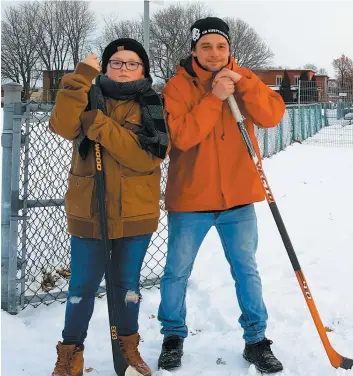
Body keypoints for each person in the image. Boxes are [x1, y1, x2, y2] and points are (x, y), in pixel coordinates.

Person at [157, 17, 285, 374]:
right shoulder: (177, 87)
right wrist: (214, 99)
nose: (214, 53)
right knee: (176, 273)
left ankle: (257, 340)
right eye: (205, 46)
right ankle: (173, 336)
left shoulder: (244, 79)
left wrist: (244, 85)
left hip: (239, 199)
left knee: (247, 271)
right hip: (191, 201)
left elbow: (272, 115)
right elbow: (182, 137)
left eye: (221, 46)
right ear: (193, 49)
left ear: (229, 49)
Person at [49, 38, 169, 376]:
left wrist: (100, 125)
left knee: (127, 287)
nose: (124, 68)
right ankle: (70, 354)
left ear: (143, 69)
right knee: (81, 287)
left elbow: (146, 157)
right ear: (105, 66)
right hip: (89, 208)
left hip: (135, 212)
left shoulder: (153, 105)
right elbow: (61, 125)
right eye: (116, 62)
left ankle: (127, 351)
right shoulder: (85, 96)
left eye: (132, 63)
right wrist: (80, 76)